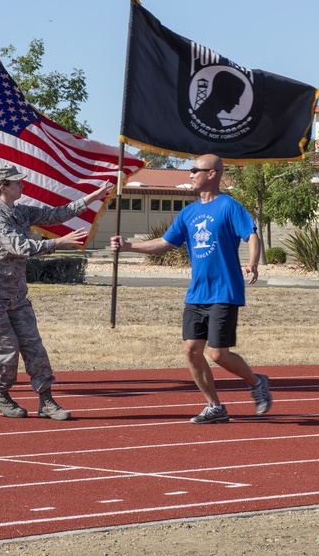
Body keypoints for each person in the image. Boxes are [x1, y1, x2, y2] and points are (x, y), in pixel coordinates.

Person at [110, 154, 272, 424]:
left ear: (213, 174)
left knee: (218, 353)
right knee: (191, 351)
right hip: (197, 293)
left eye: (196, 170)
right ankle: (215, 407)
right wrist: (128, 246)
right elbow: (164, 243)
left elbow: (251, 234)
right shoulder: (188, 213)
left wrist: (253, 263)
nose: (190, 174)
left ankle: (256, 382)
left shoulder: (229, 207)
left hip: (224, 291)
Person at [0, 165, 112, 421]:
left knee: (35, 348)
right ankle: (1, 396)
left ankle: (46, 401)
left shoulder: (21, 212)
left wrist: (93, 197)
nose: (22, 186)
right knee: (5, 351)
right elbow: (20, 246)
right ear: (3, 188)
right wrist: (59, 242)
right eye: (17, 183)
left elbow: (56, 215)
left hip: (15, 295)